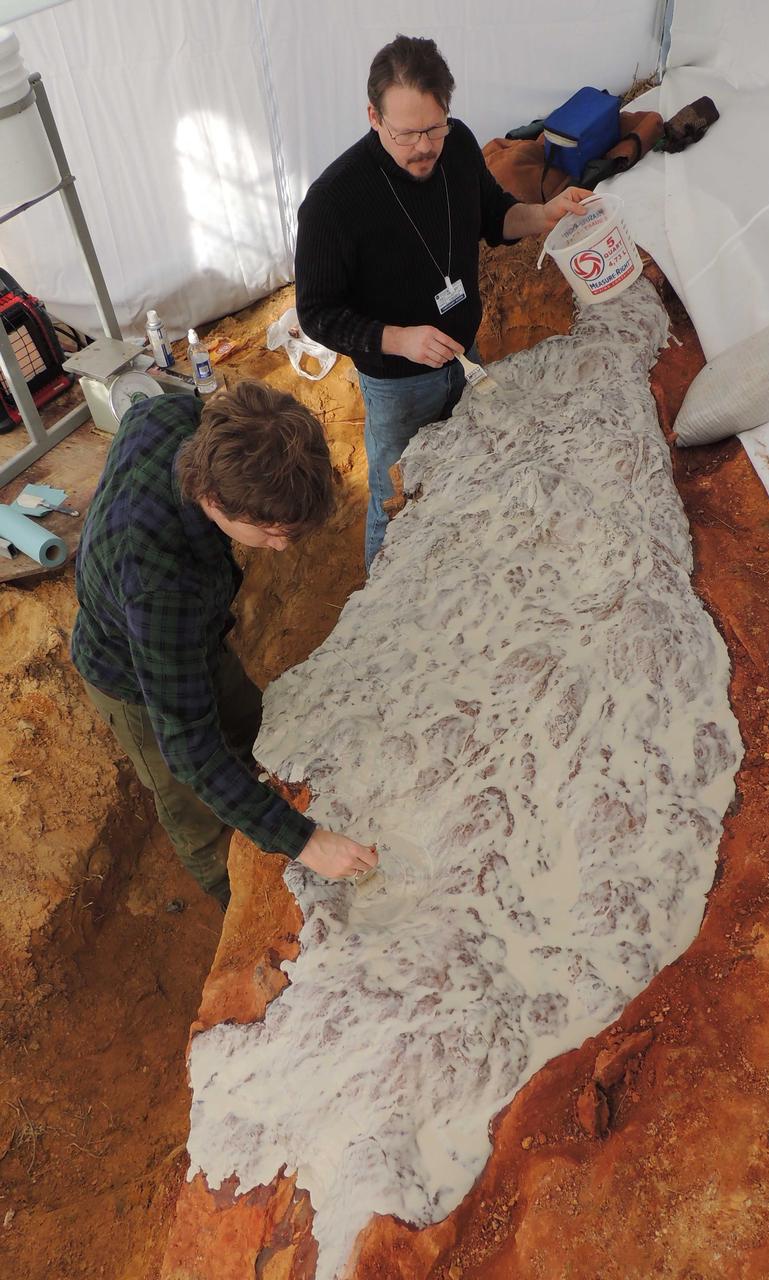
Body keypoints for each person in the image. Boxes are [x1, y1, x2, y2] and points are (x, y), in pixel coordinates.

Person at [71, 380, 378, 909]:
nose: (281, 547)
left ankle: (267, 812)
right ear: (214, 498)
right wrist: (306, 842)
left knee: (255, 732)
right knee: (194, 802)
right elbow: (189, 747)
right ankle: (241, 904)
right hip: (128, 676)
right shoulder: (160, 584)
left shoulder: (174, 416)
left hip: (195, 636)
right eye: (271, 531)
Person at [295, 33, 592, 569]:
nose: (424, 147)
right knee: (398, 501)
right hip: (395, 387)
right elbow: (317, 313)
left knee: (470, 469)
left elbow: (496, 215)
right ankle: (381, 600)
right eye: (406, 133)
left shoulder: (457, 147)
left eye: (434, 127)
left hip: (466, 357)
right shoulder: (333, 202)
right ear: (372, 116)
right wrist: (399, 339)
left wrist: (544, 213)